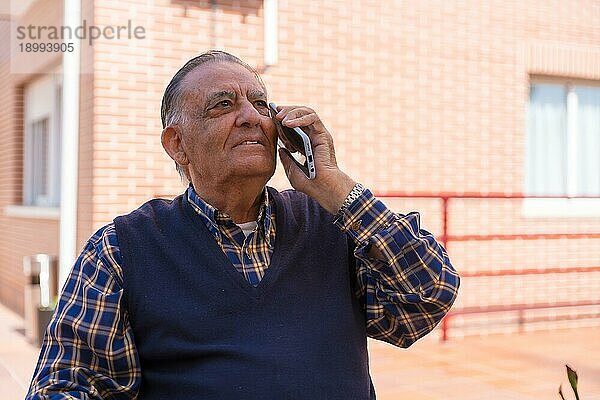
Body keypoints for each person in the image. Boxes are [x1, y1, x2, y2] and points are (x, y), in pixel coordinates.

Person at [27, 50, 460, 399]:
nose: (252, 116)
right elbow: (64, 384)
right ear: (177, 144)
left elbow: (425, 299)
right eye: (224, 105)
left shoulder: (334, 222)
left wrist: (333, 186)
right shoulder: (122, 249)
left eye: (261, 104)